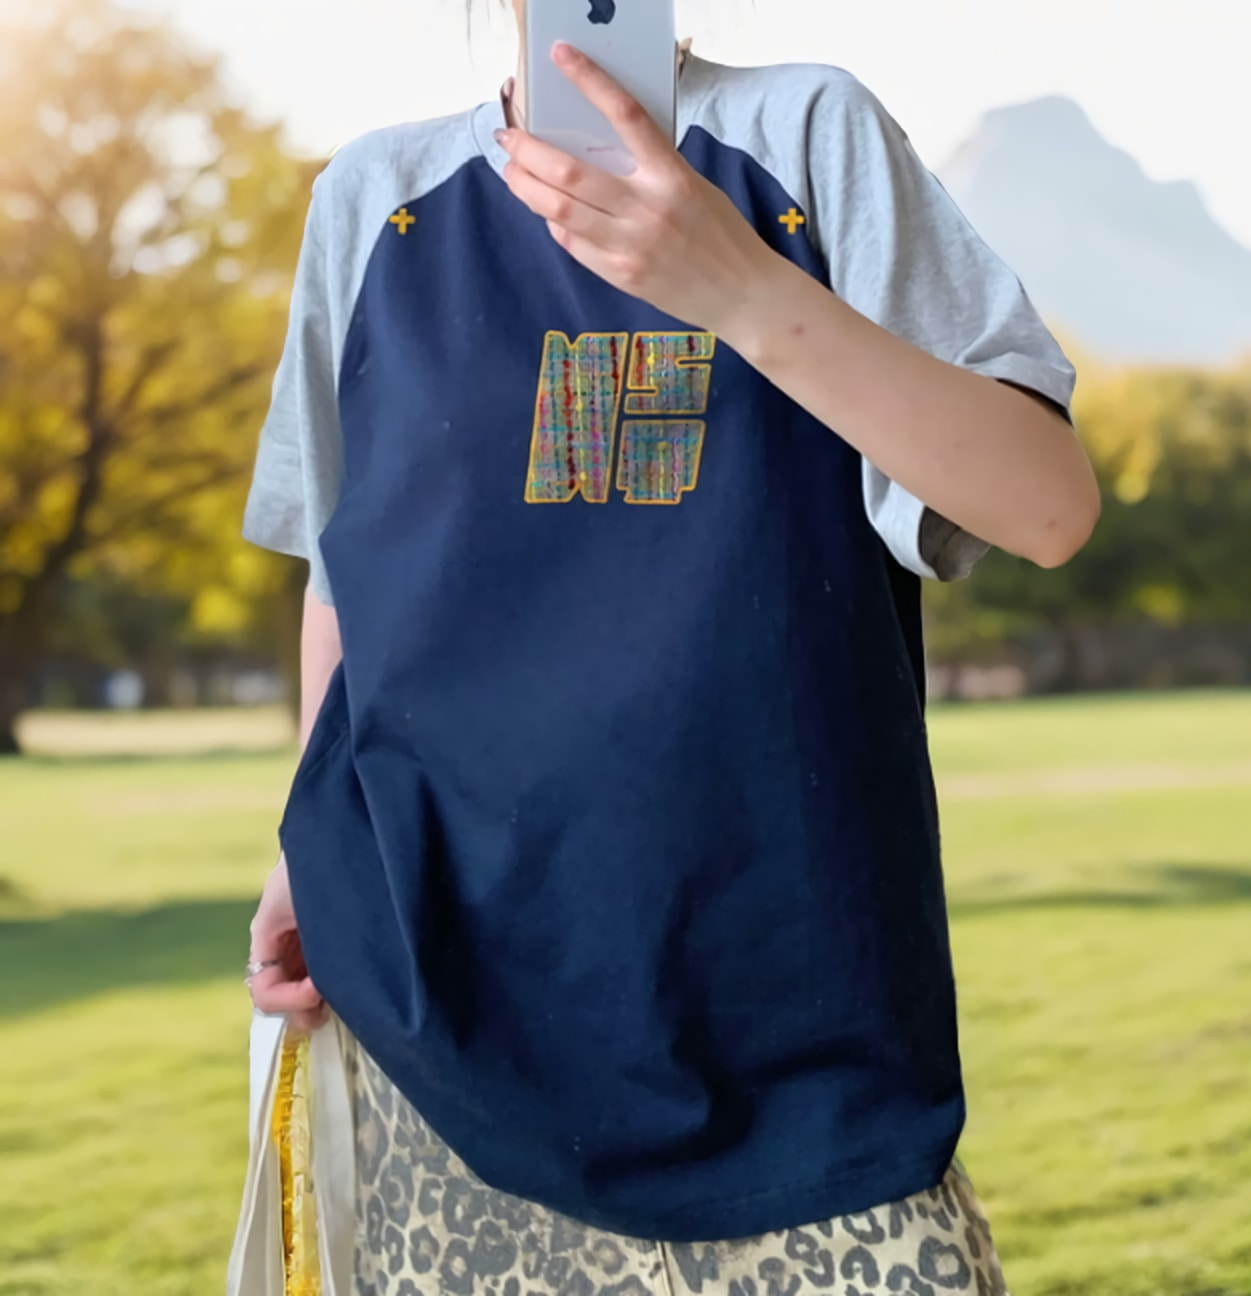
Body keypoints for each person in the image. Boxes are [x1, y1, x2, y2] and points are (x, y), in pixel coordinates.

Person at [241, 3, 1100, 1292]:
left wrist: (736, 286)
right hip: (436, 1022)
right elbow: (345, 566)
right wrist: (304, 851)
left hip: (798, 1031)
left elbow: (1045, 506)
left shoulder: (804, 135)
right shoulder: (374, 196)